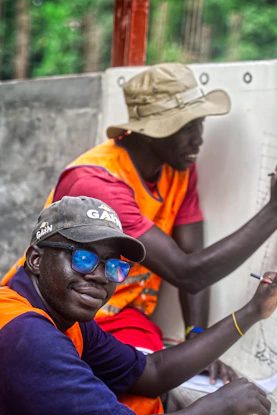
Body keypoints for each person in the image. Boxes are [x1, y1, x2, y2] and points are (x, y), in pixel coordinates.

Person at [3, 63, 277, 382]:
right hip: (64, 309)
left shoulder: (179, 170)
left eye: (199, 125)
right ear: (152, 132)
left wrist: (196, 339)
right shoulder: (99, 179)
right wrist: (272, 212)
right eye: (188, 128)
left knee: (156, 384)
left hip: (122, 315)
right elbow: (187, 272)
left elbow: (194, 263)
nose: (199, 140)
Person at [1, 195, 276, 415]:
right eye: (83, 257)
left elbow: (152, 372)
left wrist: (253, 311)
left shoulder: (66, 318)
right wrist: (219, 407)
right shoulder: (25, 333)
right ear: (36, 260)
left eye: (113, 265)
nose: (99, 275)